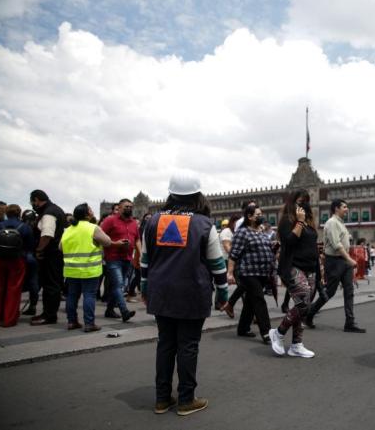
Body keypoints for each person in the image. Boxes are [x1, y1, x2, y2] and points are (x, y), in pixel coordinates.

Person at [141, 172, 228, 416]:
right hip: (192, 292)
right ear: (197, 195)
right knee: (188, 346)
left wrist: (145, 288)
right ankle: (186, 399)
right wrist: (222, 293)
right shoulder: (203, 224)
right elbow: (217, 265)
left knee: (165, 344)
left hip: (161, 292)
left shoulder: (153, 221)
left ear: (171, 194)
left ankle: (161, 399)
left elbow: (145, 261)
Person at [269, 189, 319, 358]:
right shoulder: (287, 220)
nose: (302, 205)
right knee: (303, 299)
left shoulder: (310, 223)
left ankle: (296, 345)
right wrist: (299, 222)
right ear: (292, 202)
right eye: (299, 202)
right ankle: (279, 332)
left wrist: (320, 270)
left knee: (303, 306)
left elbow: (313, 247)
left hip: (311, 267)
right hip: (293, 266)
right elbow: (289, 242)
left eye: (305, 202)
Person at [60, 203, 125, 332]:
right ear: (86, 214)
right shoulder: (92, 228)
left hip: (71, 269)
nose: (92, 211)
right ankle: (89, 323)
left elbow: (60, 247)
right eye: (90, 210)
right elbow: (107, 242)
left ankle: (72, 322)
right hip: (89, 269)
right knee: (89, 295)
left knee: (72, 296)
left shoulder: (68, 229)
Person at [304, 199, 365, 333]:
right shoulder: (331, 223)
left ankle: (350, 322)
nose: (347, 209)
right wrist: (350, 259)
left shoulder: (341, 223)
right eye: (344, 207)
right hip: (335, 261)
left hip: (344, 261)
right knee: (330, 292)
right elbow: (337, 245)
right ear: (336, 208)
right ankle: (309, 313)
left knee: (349, 292)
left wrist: (348, 259)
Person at [227, 204, 273, 343]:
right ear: (250, 217)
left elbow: (267, 248)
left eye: (261, 214)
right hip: (248, 272)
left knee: (250, 302)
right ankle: (267, 333)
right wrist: (230, 273)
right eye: (258, 215)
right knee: (259, 300)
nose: (261, 217)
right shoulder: (243, 232)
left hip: (262, 272)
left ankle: (243, 328)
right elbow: (234, 254)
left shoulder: (262, 232)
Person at [29, 190, 66, 326]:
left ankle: (49, 315)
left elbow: (47, 234)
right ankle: (48, 313)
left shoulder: (49, 212)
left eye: (33, 202)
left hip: (51, 254)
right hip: (55, 254)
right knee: (52, 284)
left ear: (37, 200)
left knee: (50, 285)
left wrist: (39, 249)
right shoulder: (55, 209)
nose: (33, 204)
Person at [0, 204, 33, 327]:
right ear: (19, 213)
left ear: (6, 213)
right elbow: (29, 247)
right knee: (14, 290)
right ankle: (9, 320)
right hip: (16, 260)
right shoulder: (25, 227)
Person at [100, 198, 138, 322]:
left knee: (117, 286)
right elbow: (99, 236)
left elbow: (137, 239)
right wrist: (115, 243)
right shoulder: (110, 220)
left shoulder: (133, 223)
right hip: (113, 258)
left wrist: (139, 252)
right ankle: (124, 311)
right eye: (126, 206)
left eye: (130, 206)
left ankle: (109, 310)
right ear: (119, 208)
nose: (129, 208)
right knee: (119, 285)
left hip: (127, 258)